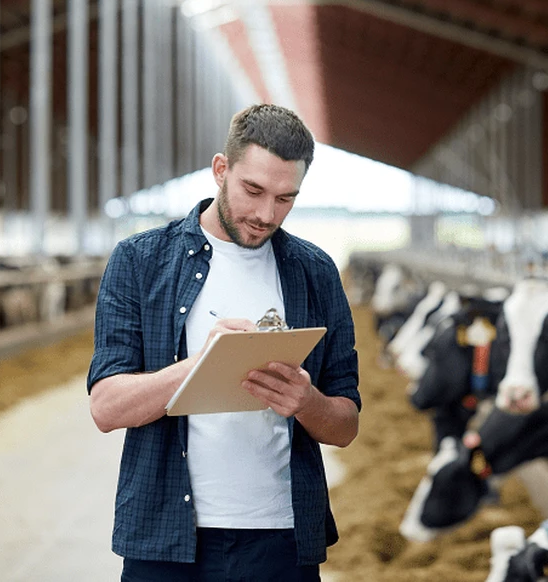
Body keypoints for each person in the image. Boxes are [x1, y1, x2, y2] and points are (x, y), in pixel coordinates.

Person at [87, 104, 361, 581]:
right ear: (221, 170)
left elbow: (346, 425)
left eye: (285, 198)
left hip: (281, 539)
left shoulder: (315, 272)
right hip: (166, 538)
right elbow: (106, 408)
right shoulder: (140, 261)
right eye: (252, 190)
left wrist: (307, 401)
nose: (265, 214)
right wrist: (199, 365)